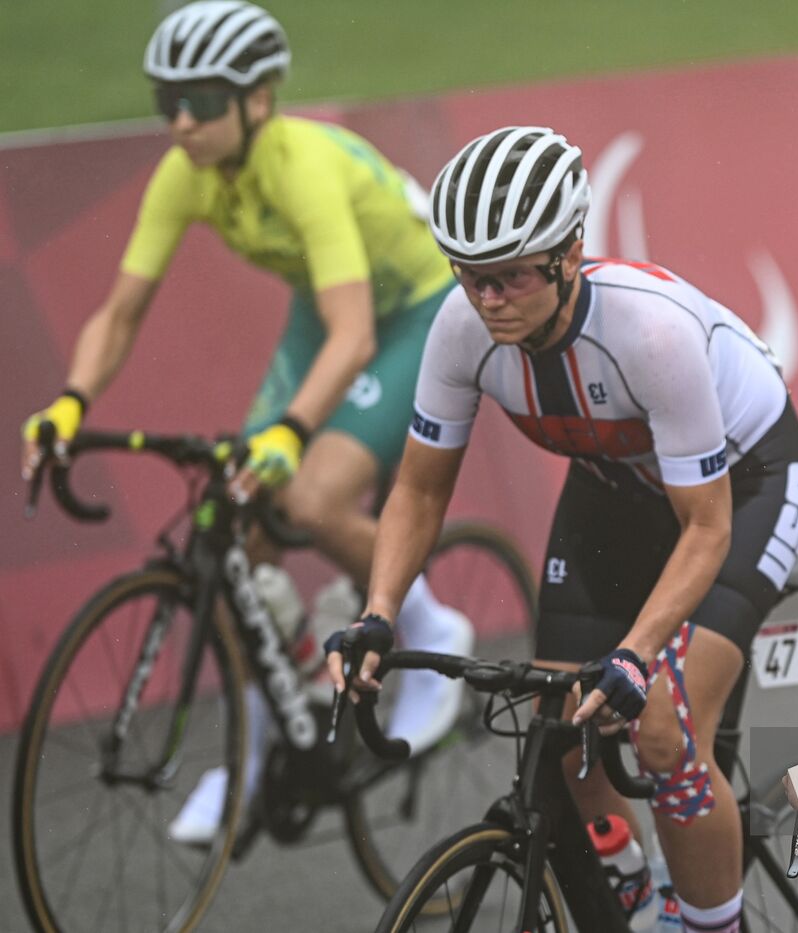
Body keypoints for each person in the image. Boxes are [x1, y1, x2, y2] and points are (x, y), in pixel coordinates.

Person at [325, 125, 798, 933]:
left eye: (510, 277)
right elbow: (416, 489)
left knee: (663, 726)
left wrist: (635, 651)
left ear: (568, 251)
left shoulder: (649, 334)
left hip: (745, 485)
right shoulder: (459, 330)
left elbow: (703, 527)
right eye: (471, 277)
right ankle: (629, 887)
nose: (488, 300)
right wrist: (379, 610)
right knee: (557, 722)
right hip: (613, 488)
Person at [18, 1, 472, 845]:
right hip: (330, 309)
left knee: (304, 496)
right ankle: (258, 750)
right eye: (167, 101)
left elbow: (356, 337)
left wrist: (288, 432)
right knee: (232, 530)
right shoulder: (184, 172)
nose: (180, 122)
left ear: (257, 100)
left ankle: (432, 622)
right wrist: (72, 401)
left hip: (417, 311)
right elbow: (119, 316)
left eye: (199, 101)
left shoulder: (302, 165)